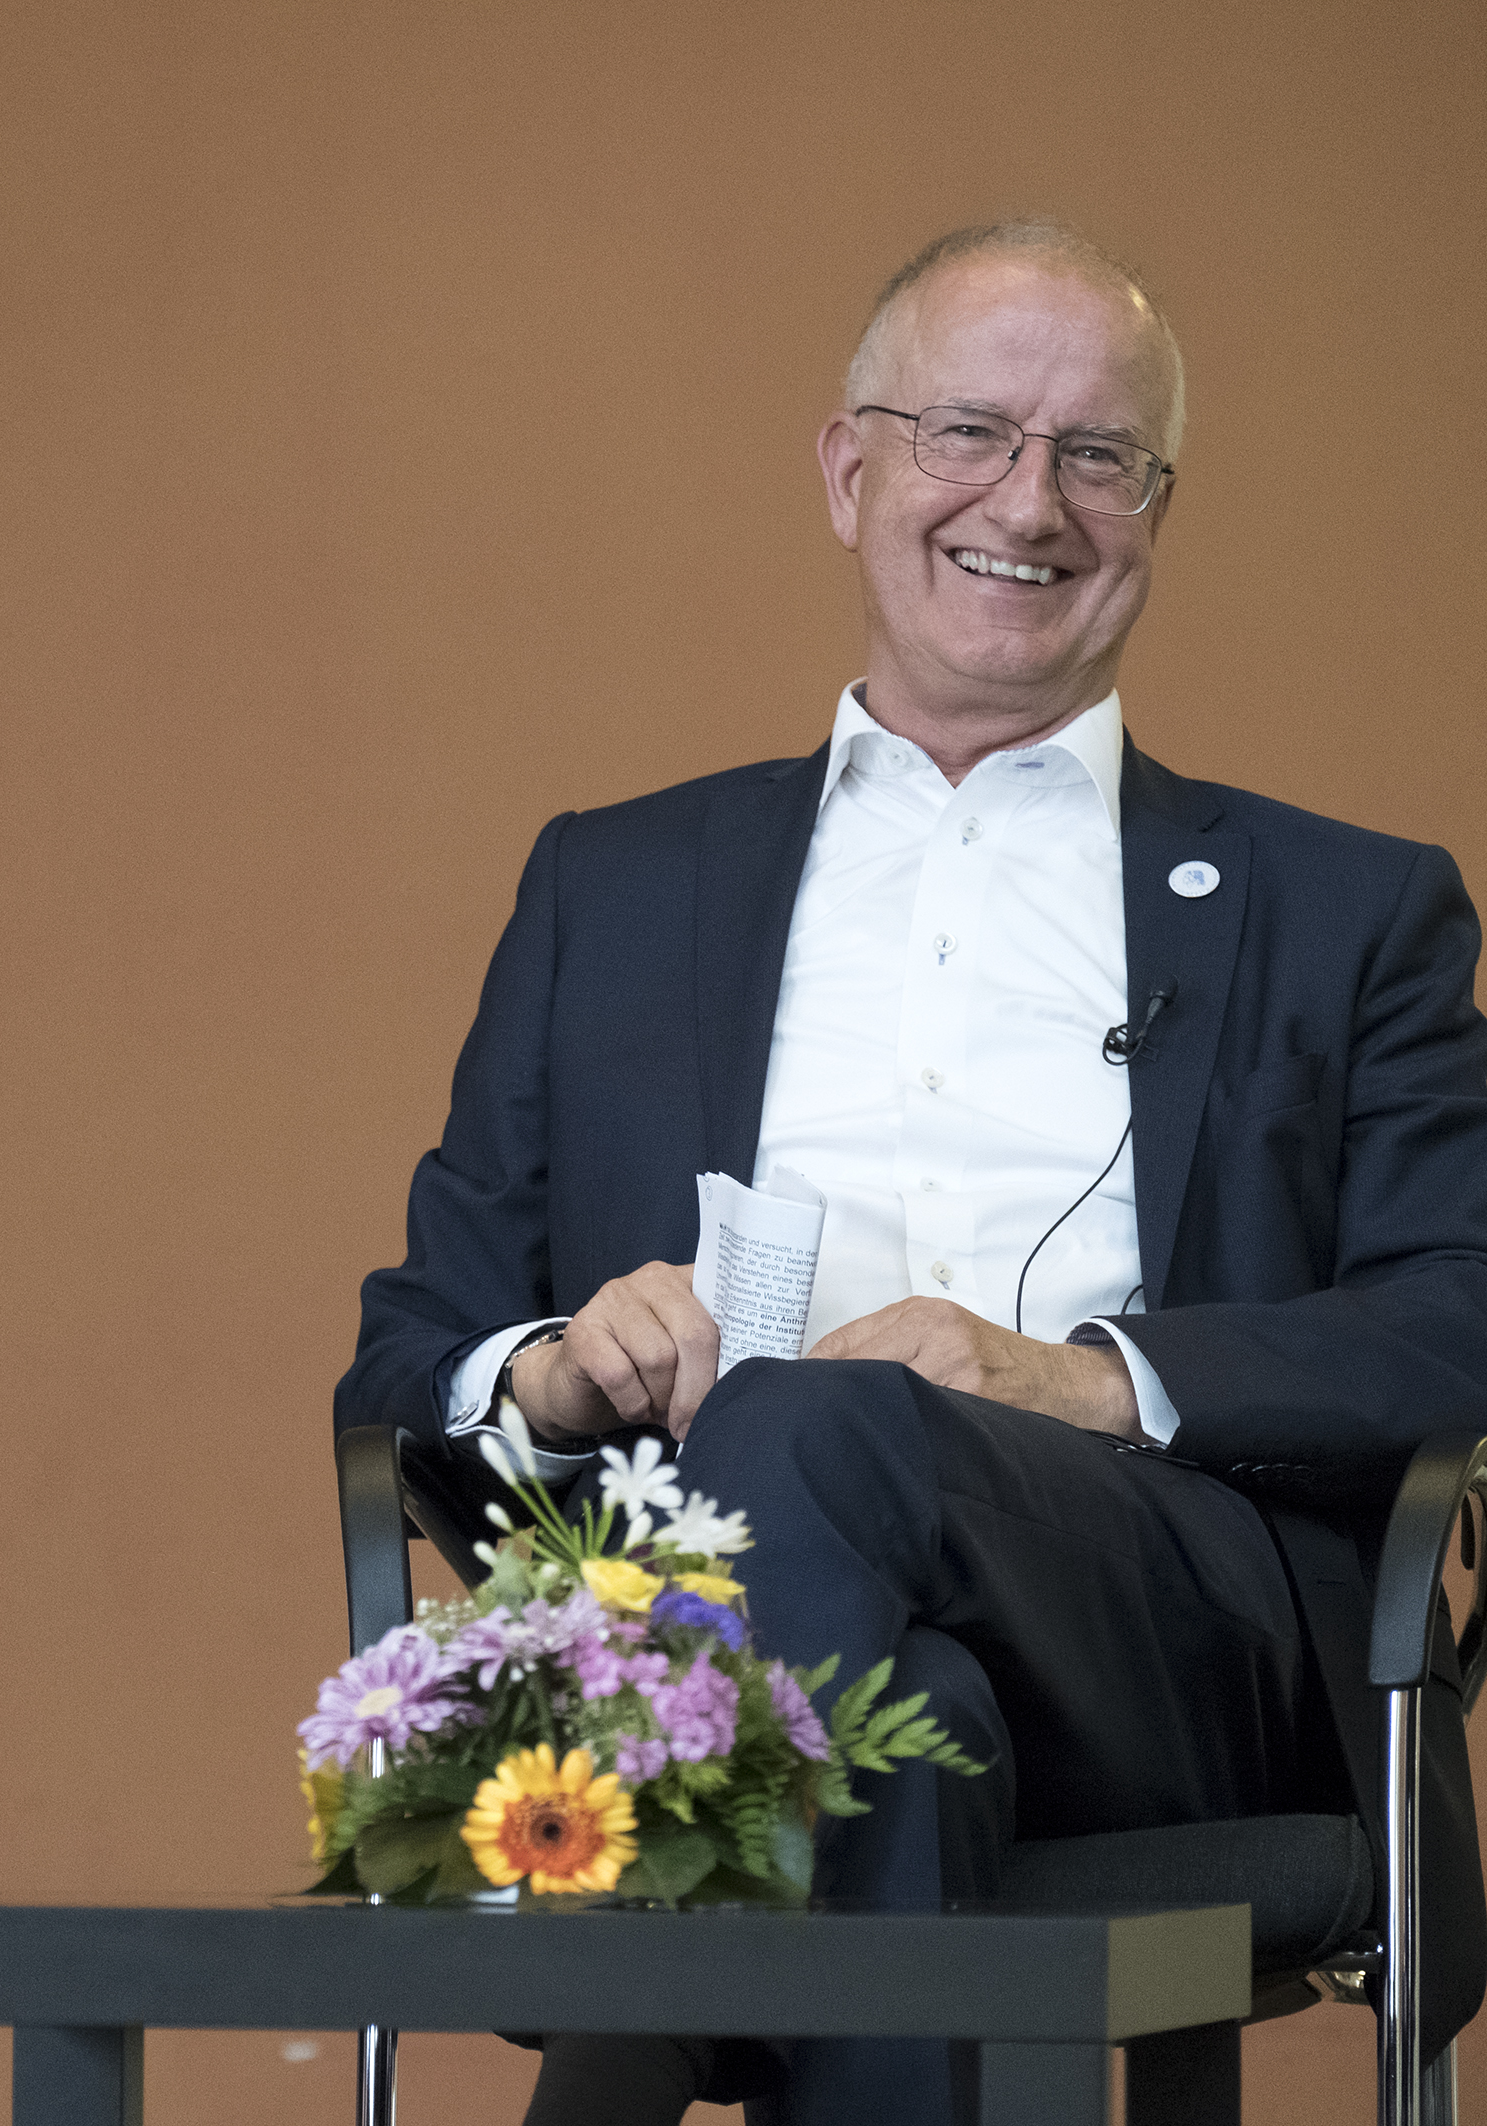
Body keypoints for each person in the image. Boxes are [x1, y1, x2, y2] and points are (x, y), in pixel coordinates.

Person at [336, 222, 1487, 2124]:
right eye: (967, 430)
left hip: (1183, 1653)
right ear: (846, 469)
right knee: (905, 1724)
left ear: (1156, 507)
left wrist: (1068, 1377)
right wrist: (550, 1368)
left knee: (811, 1425)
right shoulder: (613, 890)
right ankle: (734, 1789)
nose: (1026, 500)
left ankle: (622, 1993)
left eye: (1094, 454)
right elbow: (407, 1363)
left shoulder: (1343, 905)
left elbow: (1458, 1318)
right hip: (789, 1633)